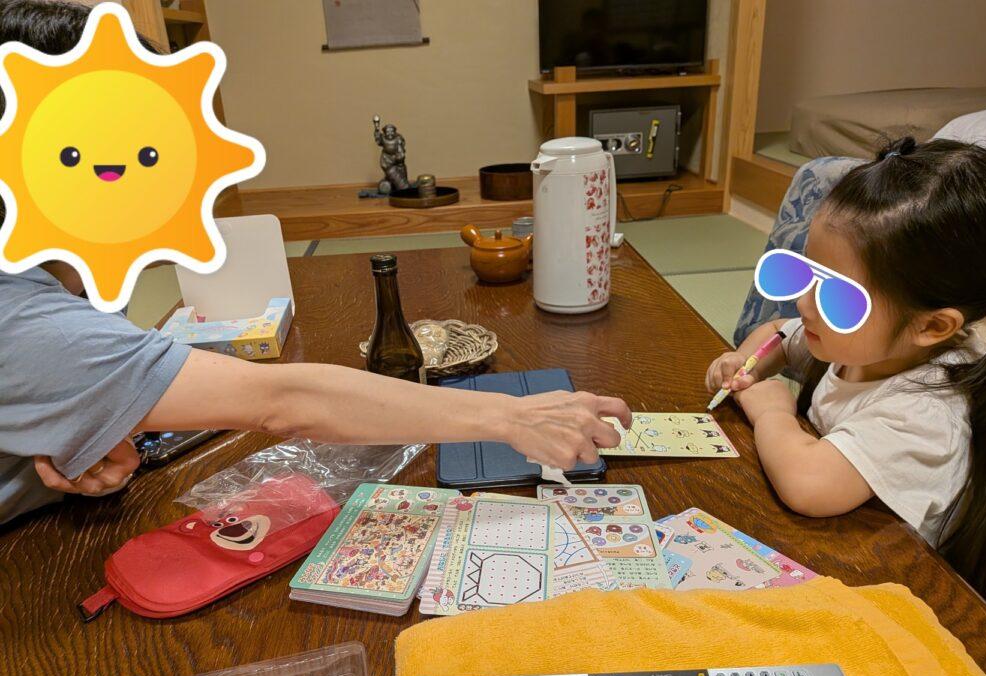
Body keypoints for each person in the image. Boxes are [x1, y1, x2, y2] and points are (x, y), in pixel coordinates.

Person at [0, 0, 631, 523]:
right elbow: (285, 399)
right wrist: (514, 416)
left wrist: (73, 431)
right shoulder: (25, 317)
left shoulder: (54, 271)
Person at [706, 137, 986, 629]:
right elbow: (778, 334)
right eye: (807, 273)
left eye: (837, 297)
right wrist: (743, 362)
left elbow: (808, 484)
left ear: (933, 326)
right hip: (863, 549)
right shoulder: (863, 340)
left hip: (948, 613)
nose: (805, 304)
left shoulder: (930, 410)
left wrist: (771, 410)